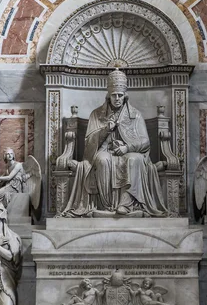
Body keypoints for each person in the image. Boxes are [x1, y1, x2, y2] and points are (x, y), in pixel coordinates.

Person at [61, 68, 168, 217]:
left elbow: (145, 142)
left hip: (128, 152)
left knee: (134, 159)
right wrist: (105, 130)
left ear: (125, 96)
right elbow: (89, 144)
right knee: (102, 160)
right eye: (114, 95)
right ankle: (107, 206)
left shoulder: (135, 115)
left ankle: (125, 204)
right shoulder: (96, 114)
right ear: (108, 96)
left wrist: (127, 147)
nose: (117, 98)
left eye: (120, 95)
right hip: (106, 152)